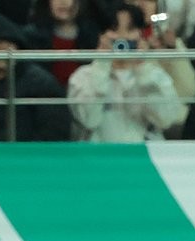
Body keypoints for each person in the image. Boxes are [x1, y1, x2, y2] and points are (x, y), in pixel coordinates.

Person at [67, 3, 185, 141]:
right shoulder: (82, 76)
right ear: (101, 35)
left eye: (130, 29)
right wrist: (102, 65)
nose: (122, 37)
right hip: (99, 157)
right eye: (115, 29)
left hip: (144, 156)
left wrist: (142, 68)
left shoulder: (155, 74)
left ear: (140, 34)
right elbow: (88, 120)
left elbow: (166, 120)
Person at [0, 14, 72, 141]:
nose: (4, 50)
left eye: (10, 44)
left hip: (26, 156)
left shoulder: (41, 83)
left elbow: (55, 130)